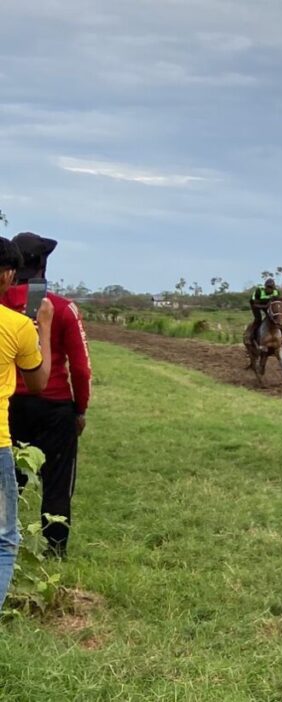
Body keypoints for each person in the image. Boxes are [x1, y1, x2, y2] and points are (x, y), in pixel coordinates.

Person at [1, 231, 91, 559]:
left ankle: (6, 541)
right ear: (42, 266)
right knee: (57, 481)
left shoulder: (2, 306)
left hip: (10, 405)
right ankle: (54, 549)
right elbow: (80, 368)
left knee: (10, 479)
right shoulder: (62, 308)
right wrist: (80, 409)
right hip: (54, 407)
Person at [0, 236, 53, 606]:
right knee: (3, 539)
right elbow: (38, 382)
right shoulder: (17, 326)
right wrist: (43, 328)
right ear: (7, 275)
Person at [246, 278, 282, 348]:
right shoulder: (259, 291)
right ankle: (250, 336)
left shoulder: (276, 292)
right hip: (256, 305)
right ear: (265, 287)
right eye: (268, 287)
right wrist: (265, 306)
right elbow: (254, 304)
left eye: (271, 288)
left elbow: (276, 303)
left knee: (275, 318)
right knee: (258, 319)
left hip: (268, 305)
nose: (270, 290)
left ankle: (281, 337)